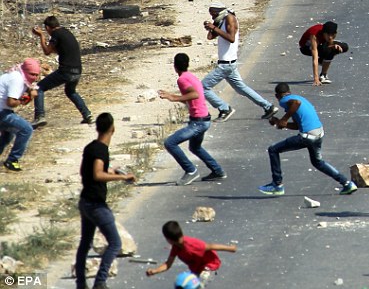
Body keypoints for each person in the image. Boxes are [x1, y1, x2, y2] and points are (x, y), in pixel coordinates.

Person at [258, 82, 357, 196]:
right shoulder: (297, 97)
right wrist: (279, 123)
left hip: (307, 137)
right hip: (318, 134)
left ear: (277, 96)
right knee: (317, 162)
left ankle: (277, 185)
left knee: (273, 150)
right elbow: (297, 125)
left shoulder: (286, 100)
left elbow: (296, 104)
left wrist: (284, 119)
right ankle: (347, 183)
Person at [75, 113, 136, 289]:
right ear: (113, 129)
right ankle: (100, 282)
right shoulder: (101, 149)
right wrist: (123, 178)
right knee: (115, 243)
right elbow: (97, 174)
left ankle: (81, 284)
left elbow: (86, 171)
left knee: (85, 244)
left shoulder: (90, 147)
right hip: (96, 204)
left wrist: (112, 172)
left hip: (85, 201)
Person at [200, 1, 277, 123]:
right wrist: (212, 26)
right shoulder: (221, 20)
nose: (212, 17)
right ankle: (268, 107)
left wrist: (214, 27)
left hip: (226, 64)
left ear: (217, 11)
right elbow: (210, 37)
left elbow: (231, 38)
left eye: (213, 14)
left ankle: (225, 109)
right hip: (227, 63)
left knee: (202, 87)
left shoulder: (230, 18)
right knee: (241, 88)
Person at [159, 53, 225, 186]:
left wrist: (173, 97)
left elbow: (194, 94)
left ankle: (191, 171)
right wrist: (173, 96)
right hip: (203, 119)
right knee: (195, 147)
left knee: (170, 143)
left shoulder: (182, 79)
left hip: (198, 122)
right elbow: (194, 98)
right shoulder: (191, 76)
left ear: (175, 66)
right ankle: (217, 171)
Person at [31, 15, 92, 128]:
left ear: (48, 27)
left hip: (66, 71)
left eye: (46, 30)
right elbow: (60, 50)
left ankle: (40, 117)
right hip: (77, 70)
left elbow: (47, 51)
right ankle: (87, 114)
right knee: (70, 91)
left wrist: (41, 36)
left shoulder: (56, 34)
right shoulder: (65, 32)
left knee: (38, 88)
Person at [145, 220, 237, 286]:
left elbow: (211, 246)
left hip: (209, 265)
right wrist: (155, 271)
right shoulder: (176, 247)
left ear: (168, 239)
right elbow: (168, 264)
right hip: (196, 268)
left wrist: (230, 248)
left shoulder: (192, 244)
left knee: (201, 281)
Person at [0, 59, 38, 172]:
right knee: (26, 129)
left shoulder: (20, 75)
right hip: (2, 111)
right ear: (26, 71)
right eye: (32, 74)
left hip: (4, 110)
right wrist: (24, 99)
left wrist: (29, 97)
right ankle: (12, 160)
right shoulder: (17, 79)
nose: (34, 77)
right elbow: (11, 102)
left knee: (8, 134)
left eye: (36, 75)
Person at [298, 21, 349, 86]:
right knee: (329, 51)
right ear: (324, 33)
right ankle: (323, 74)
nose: (330, 37)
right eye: (328, 35)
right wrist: (316, 79)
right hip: (305, 48)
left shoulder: (330, 36)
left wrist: (333, 45)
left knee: (344, 47)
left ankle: (322, 62)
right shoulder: (314, 35)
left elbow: (329, 42)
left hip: (321, 44)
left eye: (332, 35)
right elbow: (315, 58)